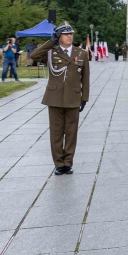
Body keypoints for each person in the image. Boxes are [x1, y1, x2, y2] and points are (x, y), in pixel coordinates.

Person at [30, 23, 91, 175]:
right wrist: (51, 42)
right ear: (59, 37)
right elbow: (34, 56)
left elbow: (86, 77)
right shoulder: (51, 52)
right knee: (56, 132)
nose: (69, 36)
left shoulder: (81, 53)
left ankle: (68, 163)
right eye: (65, 34)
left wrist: (84, 98)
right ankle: (58, 163)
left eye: (71, 33)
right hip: (55, 97)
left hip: (73, 97)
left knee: (71, 132)